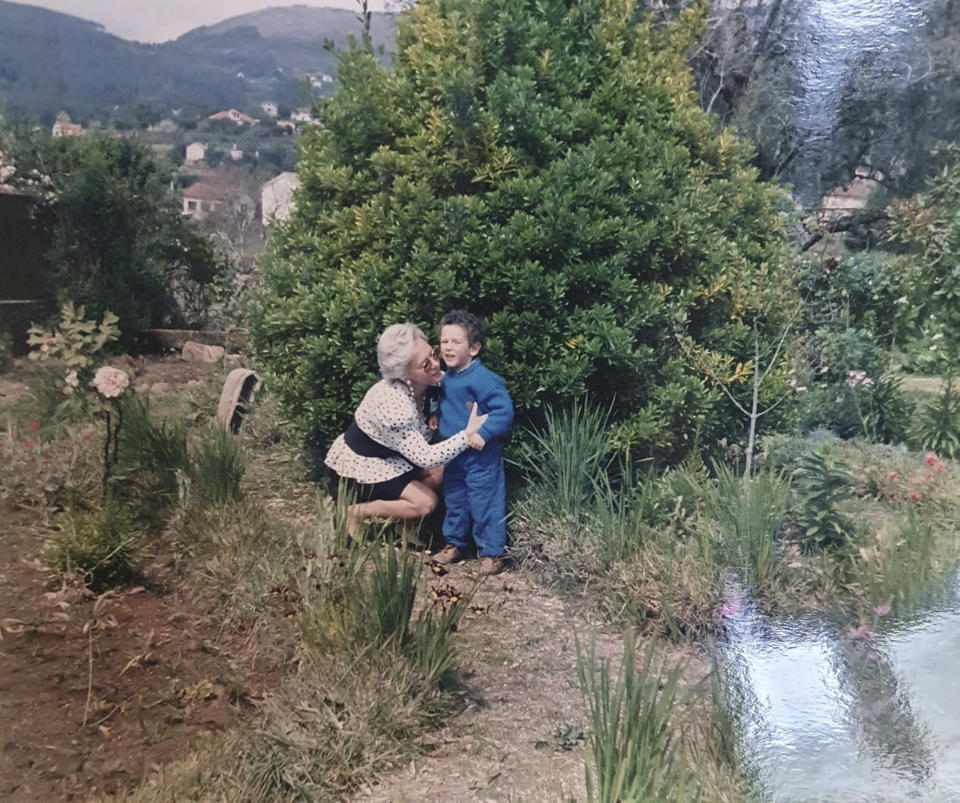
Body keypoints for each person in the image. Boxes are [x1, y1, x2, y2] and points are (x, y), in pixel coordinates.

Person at [325, 322, 488, 536]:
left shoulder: (429, 383)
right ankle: (355, 511)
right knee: (426, 502)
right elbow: (426, 457)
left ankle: (404, 525)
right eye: (425, 364)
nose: (435, 364)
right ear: (403, 374)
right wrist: (467, 436)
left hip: (393, 461)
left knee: (443, 471)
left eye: (433, 354)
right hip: (359, 471)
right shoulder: (392, 404)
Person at [432, 310, 514, 576]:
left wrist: (484, 433)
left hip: (480, 455)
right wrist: (434, 417)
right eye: (444, 341)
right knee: (455, 498)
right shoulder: (445, 378)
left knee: (485, 501)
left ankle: (493, 552)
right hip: (453, 453)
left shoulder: (483, 379)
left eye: (456, 342)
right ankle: (454, 543)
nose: (448, 347)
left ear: (474, 348)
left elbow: (504, 411)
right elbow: (445, 405)